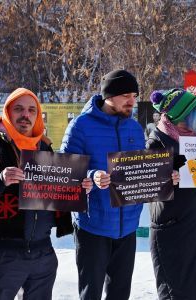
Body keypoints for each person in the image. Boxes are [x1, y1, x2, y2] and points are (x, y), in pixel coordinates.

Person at [0, 87, 93, 300]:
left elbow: (54, 195)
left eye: (32, 110)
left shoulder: (44, 147)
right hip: (3, 253)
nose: (26, 115)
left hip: (43, 253)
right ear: (7, 111)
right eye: (19, 109)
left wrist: (77, 188)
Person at [60, 70, 179, 300]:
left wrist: (164, 177)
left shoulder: (134, 127)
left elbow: (139, 170)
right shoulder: (80, 126)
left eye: (134, 95)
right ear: (109, 95)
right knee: (90, 293)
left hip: (128, 226)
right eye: (126, 95)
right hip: (93, 225)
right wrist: (94, 176)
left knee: (120, 294)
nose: (132, 101)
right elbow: (65, 171)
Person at [147, 88, 196, 300]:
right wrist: (166, 178)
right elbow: (142, 185)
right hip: (176, 235)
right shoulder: (156, 142)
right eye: (194, 113)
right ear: (181, 117)